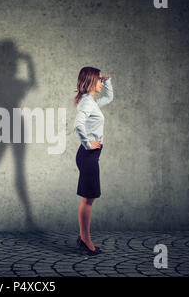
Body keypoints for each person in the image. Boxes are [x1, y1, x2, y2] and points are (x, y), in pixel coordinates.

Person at [73, 66, 113, 255]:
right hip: (88, 156)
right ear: (90, 81)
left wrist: (108, 83)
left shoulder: (91, 101)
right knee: (88, 199)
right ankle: (85, 241)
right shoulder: (87, 103)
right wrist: (89, 144)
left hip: (89, 156)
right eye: (99, 80)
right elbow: (77, 125)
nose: (101, 83)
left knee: (89, 198)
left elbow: (109, 98)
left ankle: (83, 238)